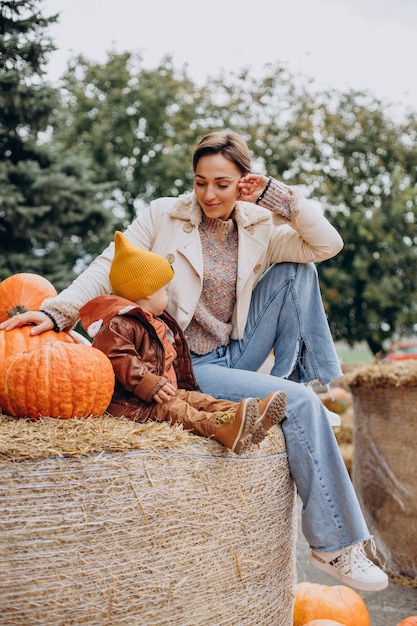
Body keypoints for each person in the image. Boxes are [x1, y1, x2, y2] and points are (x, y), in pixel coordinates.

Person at [0, 130, 388, 592]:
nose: (208, 194)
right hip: (191, 364)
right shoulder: (165, 215)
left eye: (222, 183)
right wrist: (57, 309)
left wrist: (280, 199)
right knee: (299, 405)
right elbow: (107, 264)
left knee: (297, 271)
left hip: (239, 350)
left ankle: (303, 384)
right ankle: (335, 546)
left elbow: (327, 245)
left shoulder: (259, 223)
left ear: (244, 181)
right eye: (200, 181)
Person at [78, 230, 287, 454]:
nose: (168, 296)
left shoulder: (153, 321)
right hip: (136, 403)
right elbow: (118, 359)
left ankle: (249, 415)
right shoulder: (118, 325)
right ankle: (221, 428)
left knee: (199, 400)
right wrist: (149, 383)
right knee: (180, 411)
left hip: (162, 392)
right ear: (147, 292)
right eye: (165, 290)